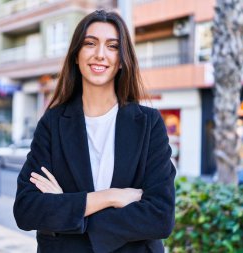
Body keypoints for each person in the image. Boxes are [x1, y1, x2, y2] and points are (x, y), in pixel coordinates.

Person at [13, 10, 176, 253]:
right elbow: (27, 210)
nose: (100, 54)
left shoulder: (148, 123)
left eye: (112, 46)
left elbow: (160, 216)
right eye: (90, 43)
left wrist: (69, 208)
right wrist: (110, 197)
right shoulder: (53, 123)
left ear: (122, 60)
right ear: (76, 56)